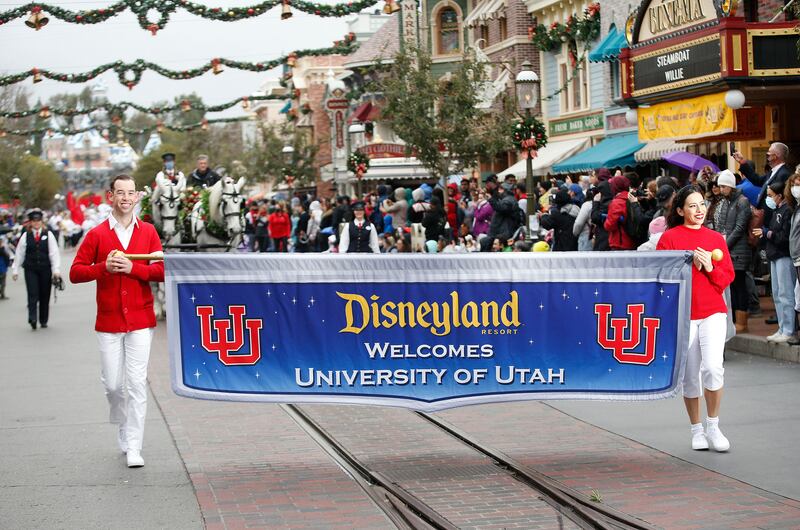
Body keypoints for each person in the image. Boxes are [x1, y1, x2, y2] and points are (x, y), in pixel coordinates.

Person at [69, 174, 164, 468]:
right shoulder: (97, 235)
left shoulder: (148, 231)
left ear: (137, 198)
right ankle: (121, 422)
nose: (125, 198)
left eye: (130, 193)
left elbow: (162, 269)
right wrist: (104, 267)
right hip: (109, 321)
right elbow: (75, 272)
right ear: (110, 196)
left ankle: (134, 445)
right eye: (120, 192)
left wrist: (135, 268)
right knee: (113, 385)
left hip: (140, 319)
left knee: (136, 384)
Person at [657, 185, 735, 452]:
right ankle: (696, 429)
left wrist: (711, 267)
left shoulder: (716, 238)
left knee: (713, 368)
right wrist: (689, 267)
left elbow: (726, 279)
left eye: (702, 204)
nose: (699, 210)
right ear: (680, 210)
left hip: (713, 311)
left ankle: (714, 426)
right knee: (690, 376)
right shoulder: (669, 239)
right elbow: (662, 278)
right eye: (692, 205)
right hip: (683, 314)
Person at [708, 170, 752, 333]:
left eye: (722, 186)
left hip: (738, 250)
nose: (720, 189)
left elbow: (740, 227)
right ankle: (734, 319)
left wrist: (725, 244)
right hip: (729, 249)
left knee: (740, 285)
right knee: (732, 286)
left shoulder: (742, 201)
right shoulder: (727, 202)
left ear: (730, 186)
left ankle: (742, 321)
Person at [753, 181, 796, 343]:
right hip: (774, 255)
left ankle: (789, 329)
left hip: (783, 255)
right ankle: (782, 327)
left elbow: (784, 237)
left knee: (786, 294)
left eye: (771, 195)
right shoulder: (777, 210)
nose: (769, 199)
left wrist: (767, 233)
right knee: (777, 294)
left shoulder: (787, 211)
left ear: (779, 195)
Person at [12, 209, 61, 330]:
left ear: (41, 221)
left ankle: (43, 319)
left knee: (45, 294)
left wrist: (56, 270)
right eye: (34, 221)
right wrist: (15, 270)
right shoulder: (25, 236)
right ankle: (32, 318)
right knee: (32, 293)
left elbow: (54, 253)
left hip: (45, 268)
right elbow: (19, 253)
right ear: (31, 223)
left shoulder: (48, 234)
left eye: (38, 221)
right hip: (31, 269)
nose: (36, 223)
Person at [733, 143, 792, 213]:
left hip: (773, 217)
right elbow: (757, 180)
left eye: (768, 154)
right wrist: (742, 161)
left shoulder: (784, 174)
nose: (767, 157)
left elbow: (780, 199)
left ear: (775, 156)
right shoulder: (773, 171)